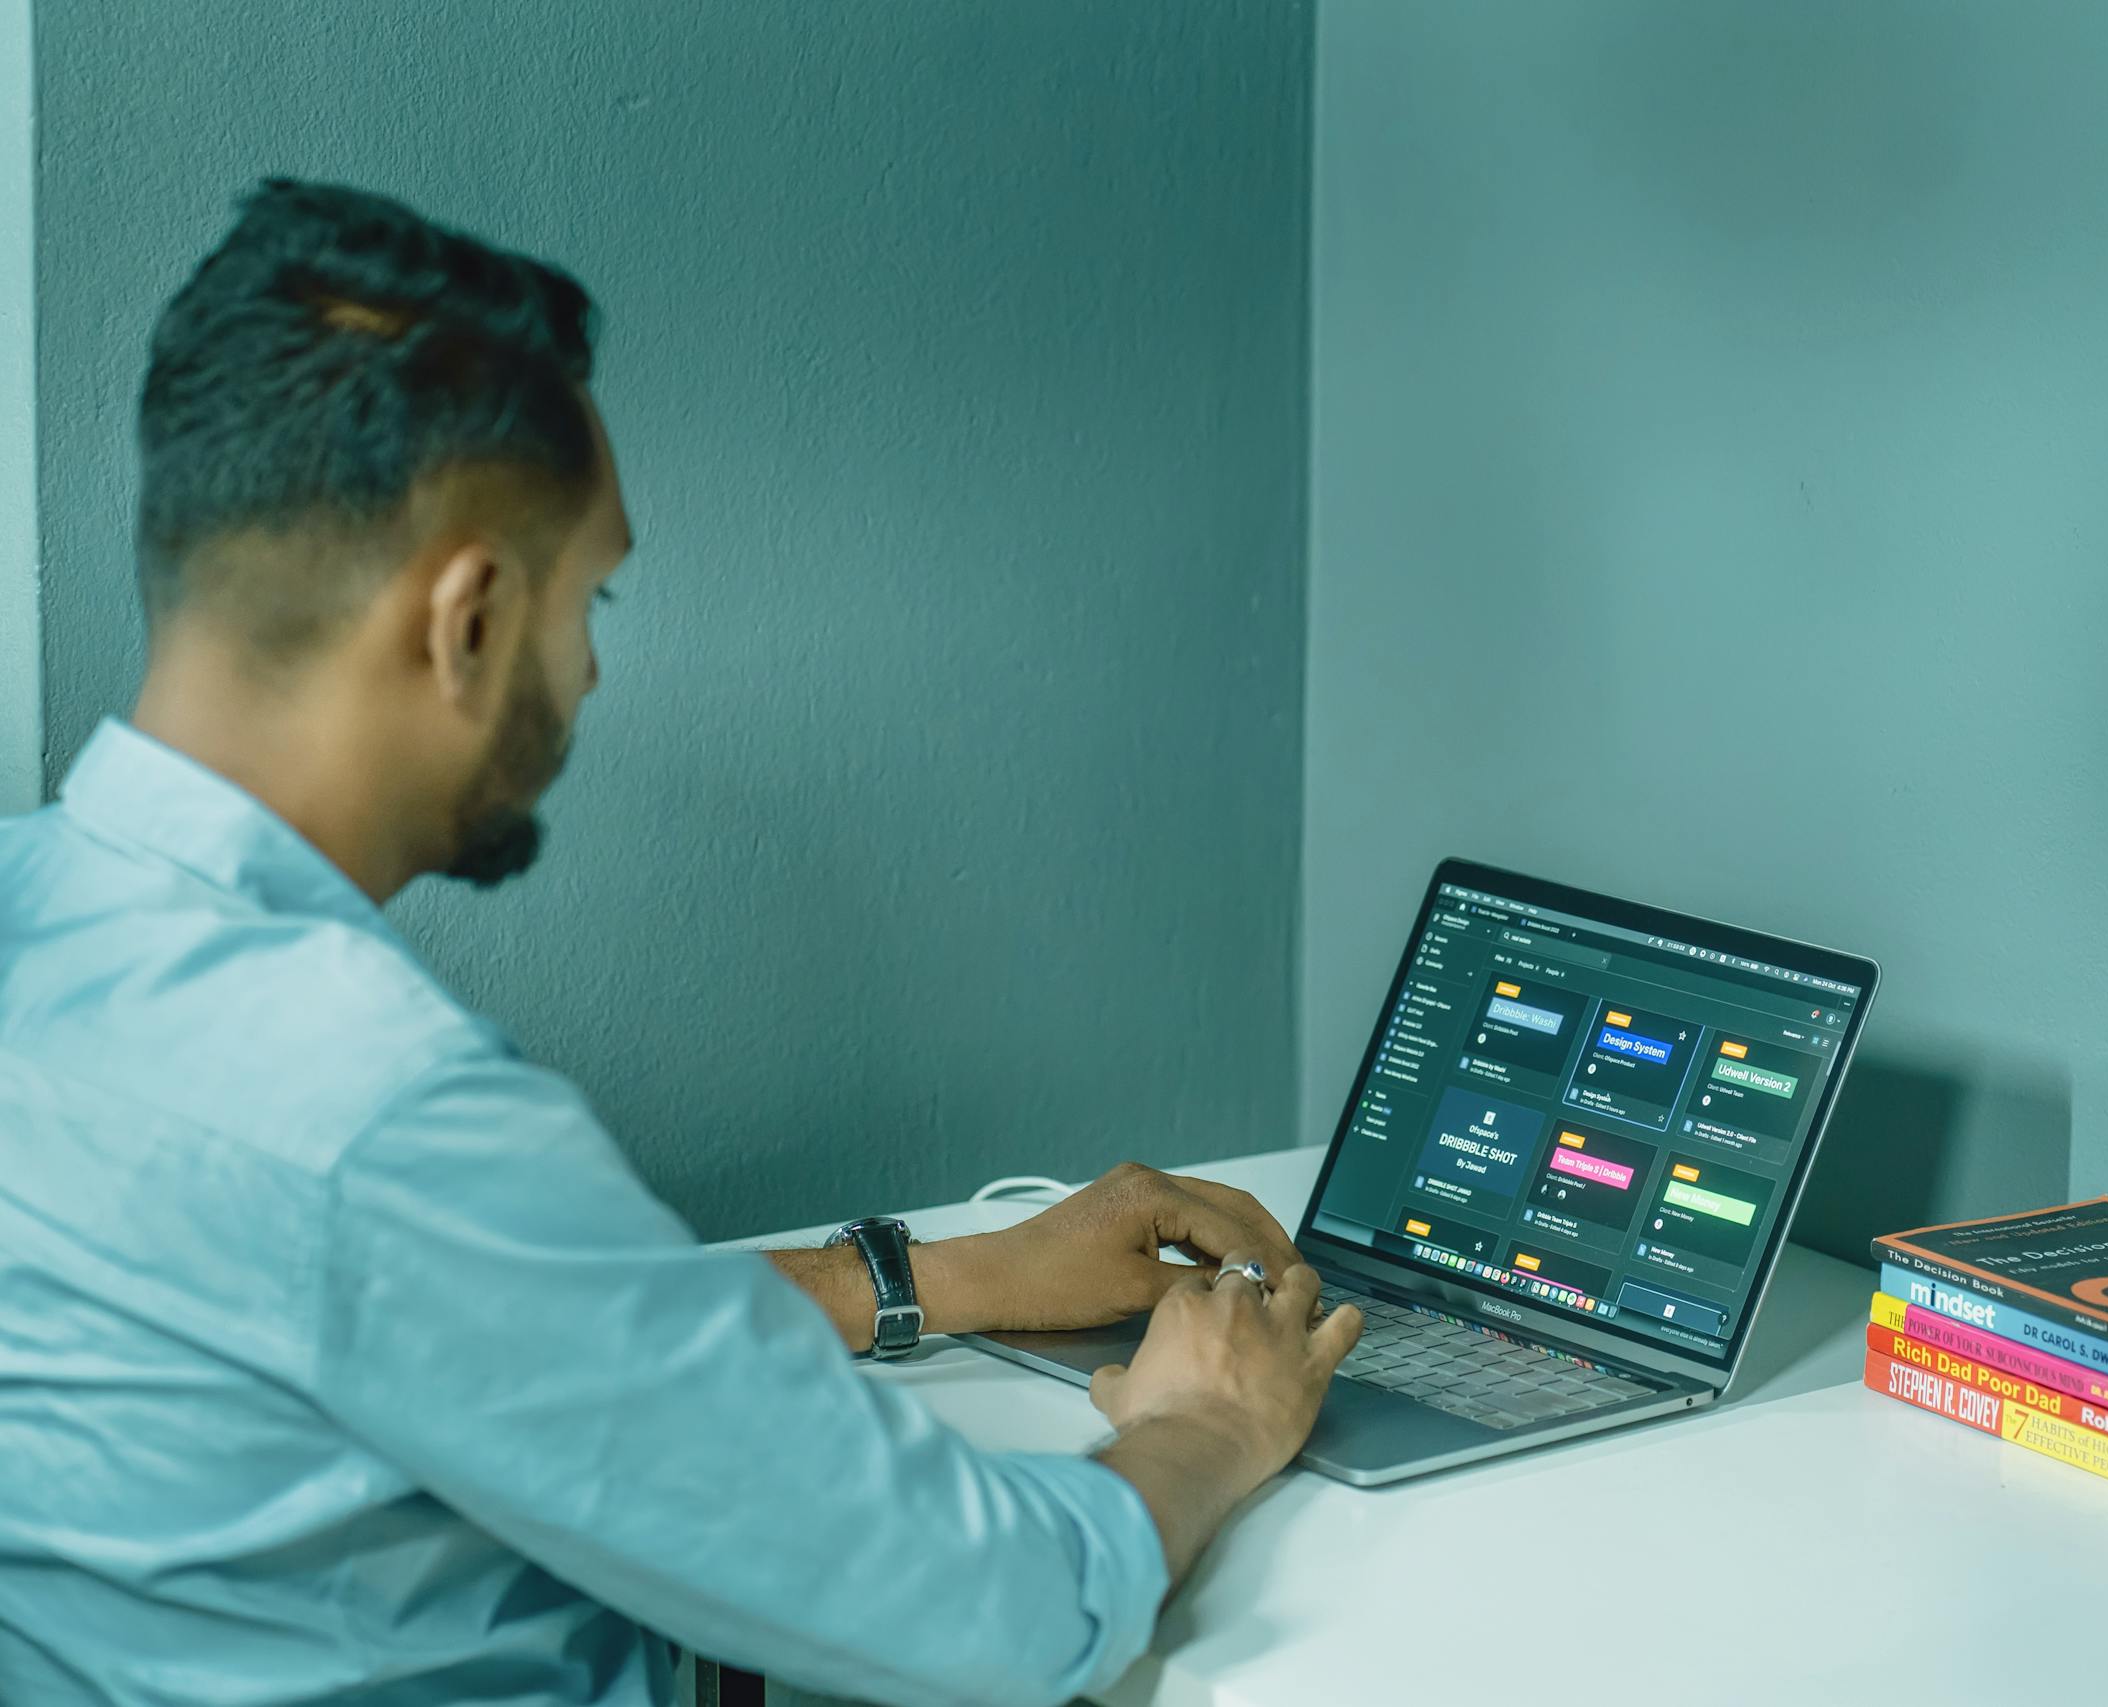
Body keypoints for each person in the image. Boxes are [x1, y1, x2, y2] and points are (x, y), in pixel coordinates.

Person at [0, 179, 1361, 1707]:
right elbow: (999, 1612)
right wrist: (1207, 1425)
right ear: (468, 618)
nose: (587, 672)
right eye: (596, 596)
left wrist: (939, 1273)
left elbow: (478, 1324)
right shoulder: (376, 1112)